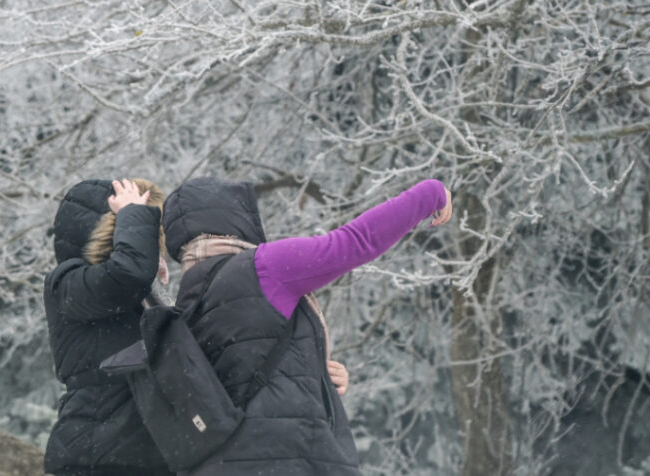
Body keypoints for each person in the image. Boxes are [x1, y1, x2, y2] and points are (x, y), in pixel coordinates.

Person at [161, 177, 453, 475]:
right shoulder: (263, 267)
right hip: (291, 458)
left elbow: (233, 378)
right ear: (236, 216)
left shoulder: (183, 307)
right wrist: (429, 194)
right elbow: (354, 242)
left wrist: (313, 371)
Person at [43, 178, 174, 476]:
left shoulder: (140, 291)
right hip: (97, 455)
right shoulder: (67, 283)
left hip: (138, 454)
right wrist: (136, 225)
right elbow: (127, 275)